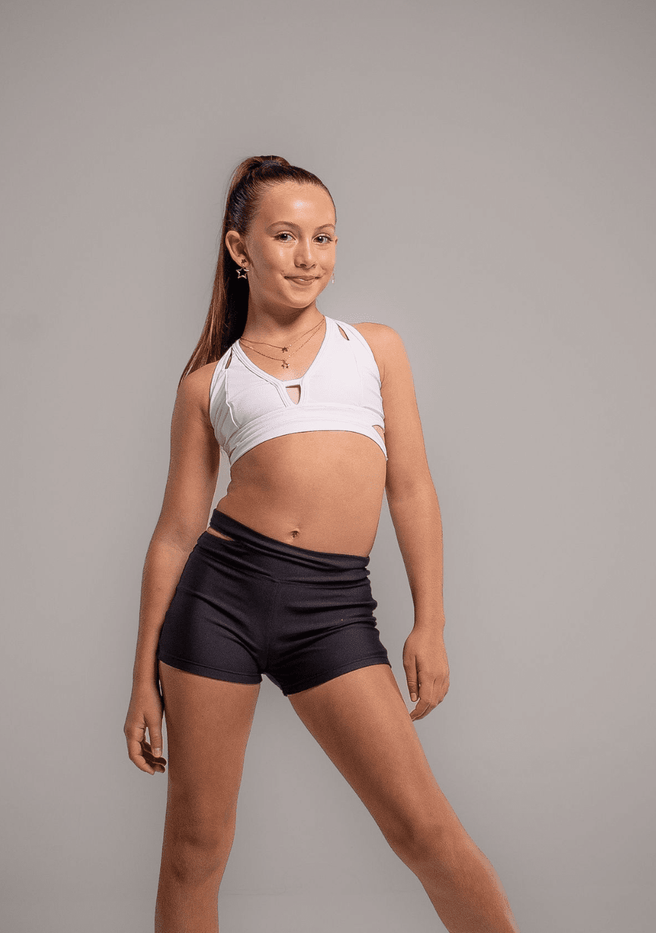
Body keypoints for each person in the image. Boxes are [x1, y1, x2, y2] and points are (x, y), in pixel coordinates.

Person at [124, 155, 520, 933]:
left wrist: (431, 622)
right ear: (241, 250)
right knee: (194, 850)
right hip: (219, 603)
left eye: (324, 236)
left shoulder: (374, 349)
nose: (309, 256)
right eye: (285, 235)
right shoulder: (209, 384)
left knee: (425, 831)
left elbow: (410, 488)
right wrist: (142, 677)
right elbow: (175, 533)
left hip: (333, 611)